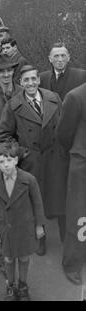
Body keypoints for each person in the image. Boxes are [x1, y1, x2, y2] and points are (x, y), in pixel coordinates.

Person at [0, 65, 68, 255]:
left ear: (39, 80)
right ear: (21, 82)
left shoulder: (54, 98)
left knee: (60, 197)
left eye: (33, 79)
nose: (30, 83)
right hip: (32, 160)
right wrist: (22, 153)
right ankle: (41, 238)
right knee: (36, 201)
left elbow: (64, 126)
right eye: (26, 80)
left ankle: (65, 237)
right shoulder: (13, 105)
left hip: (55, 159)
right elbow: (4, 135)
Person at [0, 142, 46, 301]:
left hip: (25, 227)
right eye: (1, 161)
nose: (6, 165)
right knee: (8, 258)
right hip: (5, 228)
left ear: (16, 160)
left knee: (24, 257)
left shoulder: (29, 179)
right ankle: (10, 286)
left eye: (9, 160)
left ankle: (23, 286)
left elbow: (38, 203)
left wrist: (39, 225)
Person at [57, 82, 86, 286]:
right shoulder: (76, 96)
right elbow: (63, 135)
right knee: (79, 214)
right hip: (82, 163)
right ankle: (72, 263)